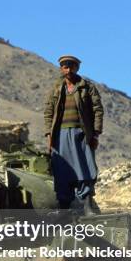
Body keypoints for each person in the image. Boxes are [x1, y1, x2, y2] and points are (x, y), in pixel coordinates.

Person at [43, 55, 104, 215]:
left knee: (85, 168)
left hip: (82, 134)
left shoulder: (86, 87)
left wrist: (96, 134)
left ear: (77, 68)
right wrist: (49, 135)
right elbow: (48, 111)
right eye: (65, 67)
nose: (68, 70)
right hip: (60, 136)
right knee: (62, 170)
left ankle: (87, 205)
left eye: (71, 67)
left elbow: (98, 110)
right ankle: (64, 208)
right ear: (61, 68)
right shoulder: (57, 88)